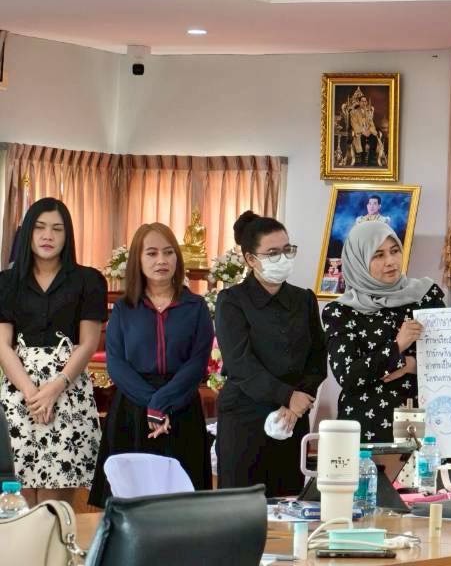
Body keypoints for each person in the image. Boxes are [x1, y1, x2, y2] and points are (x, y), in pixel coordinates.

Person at [88, 223, 214, 506]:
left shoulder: (195, 306)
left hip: (181, 406)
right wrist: (152, 404)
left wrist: (162, 403)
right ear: (138, 259)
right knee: (130, 503)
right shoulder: (124, 308)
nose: (161, 260)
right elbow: (117, 364)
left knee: (183, 505)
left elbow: (197, 363)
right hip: (133, 410)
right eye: (152, 253)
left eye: (168, 252)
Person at [0, 198, 104, 505]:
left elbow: (88, 343)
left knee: (54, 505)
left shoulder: (88, 280)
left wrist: (54, 389)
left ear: (67, 235)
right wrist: (32, 393)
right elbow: (2, 345)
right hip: (19, 392)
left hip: (67, 391)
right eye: (40, 227)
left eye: (57, 229)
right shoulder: (6, 282)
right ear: (28, 233)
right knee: (17, 501)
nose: (48, 236)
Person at [215, 210, 326, 496]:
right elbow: (240, 363)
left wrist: (298, 401)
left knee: (289, 501)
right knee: (242, 505)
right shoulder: (232, 301)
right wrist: (286, 396)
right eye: (273, 253)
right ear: (251, 259)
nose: (283, 258)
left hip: (294, 416)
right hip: (245, 416)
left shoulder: (303, 299)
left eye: (287, 250)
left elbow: (317, 358)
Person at [322, 221, 446, 442]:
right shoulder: (341, 312)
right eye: (378, 255)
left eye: (394, 251)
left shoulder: (425, 297)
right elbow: (348, 375)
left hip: (431, 425)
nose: (390, 261)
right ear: (359, 261)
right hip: (369, 427)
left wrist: (411, 365)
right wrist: (397, 347)